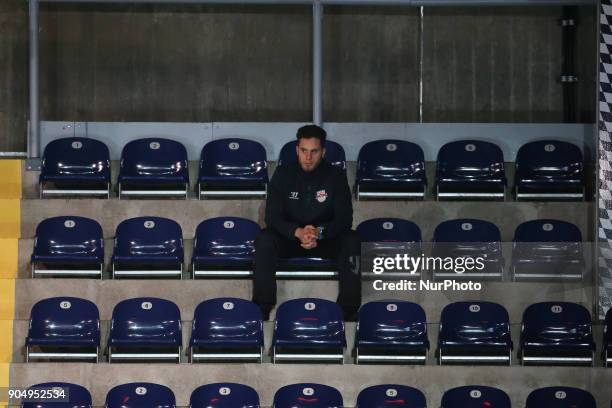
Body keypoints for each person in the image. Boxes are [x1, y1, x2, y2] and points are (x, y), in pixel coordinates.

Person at [253, 124, 361, 321]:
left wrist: (318, 232)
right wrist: (297, 232)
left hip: (325, 240)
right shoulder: (283, 174)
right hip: (290, 240)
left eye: (314, 151)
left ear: (323, 152)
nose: (308, 157)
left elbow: (344, 219)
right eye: (303, 151)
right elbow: (272, 217)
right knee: (264, 239)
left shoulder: (335, 176)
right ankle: (262, 308)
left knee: (351, 239)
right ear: (297, 150)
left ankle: (348, 310)